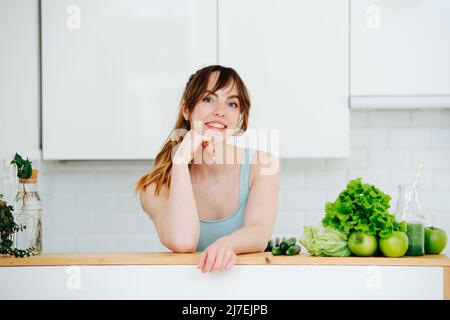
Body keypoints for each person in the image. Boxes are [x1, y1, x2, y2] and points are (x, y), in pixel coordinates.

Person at [134, 65, 280, 272]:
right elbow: (183, 242)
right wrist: (180, 163)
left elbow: (259, 232)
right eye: (208, 99)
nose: (220, 112)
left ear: (239, 117)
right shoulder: (154, 188)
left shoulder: (262, 165)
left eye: (232, 104)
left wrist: (225, 245)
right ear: (187, 109)